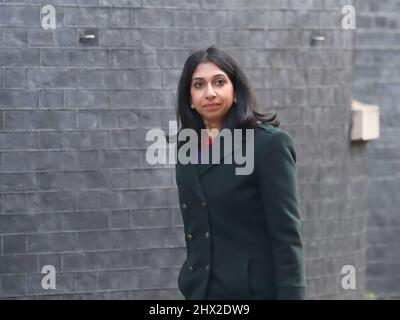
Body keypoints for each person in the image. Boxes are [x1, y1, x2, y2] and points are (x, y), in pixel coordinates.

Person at [174, 46, 307, 300]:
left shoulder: (269, 145)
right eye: (199, 85)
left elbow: (287, 237)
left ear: (235, 91)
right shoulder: (187, 148)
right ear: (189, 98)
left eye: (219, 82)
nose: (209, 93)